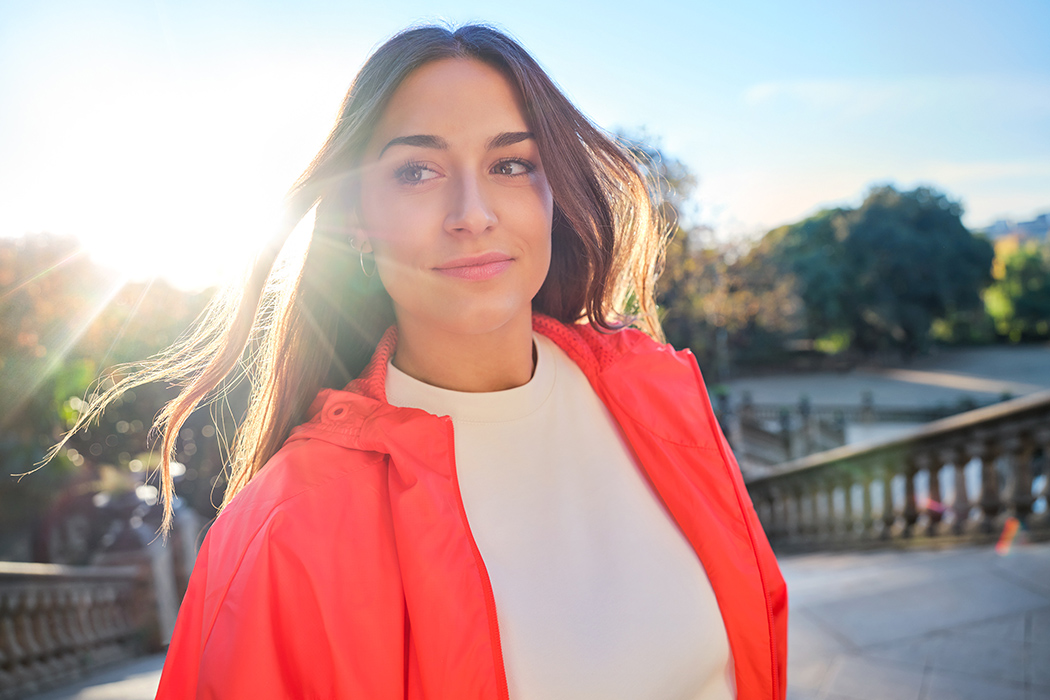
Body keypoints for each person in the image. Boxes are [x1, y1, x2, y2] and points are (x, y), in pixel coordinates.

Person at [100, 22, 786, 700]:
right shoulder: (285, 532)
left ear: (553, 195)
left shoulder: (662, 397)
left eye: (510, 164)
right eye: (417, 171)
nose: (473, 213)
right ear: (358, 222)